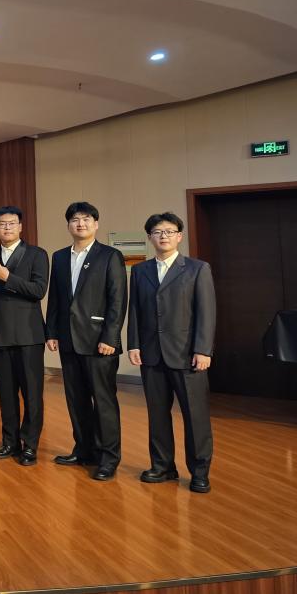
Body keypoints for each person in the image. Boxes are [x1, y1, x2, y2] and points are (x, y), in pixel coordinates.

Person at [128, 212, 216, 493]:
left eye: (169, 231)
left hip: (187, 355)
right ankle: (162, 466)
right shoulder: (140, 271)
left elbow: (206, 312)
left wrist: (203, 349)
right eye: (157, 232)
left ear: (179, 236)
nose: (163, 236)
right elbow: (135, 310)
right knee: (157, 415)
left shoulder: (197, 269)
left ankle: (200, 471)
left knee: (195, 416)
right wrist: (134, 344)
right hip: (152, 355)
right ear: (150, 237)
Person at [45, 202, 128, 481]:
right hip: (69, 339)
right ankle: (84, 450)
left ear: (96, 224)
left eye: (86, 219)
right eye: (75, 219)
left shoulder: (110, 256)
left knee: (103, 401)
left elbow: (118, 300)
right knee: (76, 399)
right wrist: (52, 332)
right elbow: (56, 298)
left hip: (99, 341)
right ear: (68, 225)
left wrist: (111, 337)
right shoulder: (59, 257)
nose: (80, 223)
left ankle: (108, 458)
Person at [0, 206, 49, 466]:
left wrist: (8, 277)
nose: (7, 227)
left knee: (32, 394)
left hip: (29, 335)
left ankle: (30, 445)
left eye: (12, 223)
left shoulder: (36, 254)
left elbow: (38, 290)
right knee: (5, 394)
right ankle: (9, 442)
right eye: (2, 224)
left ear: (20, 226)